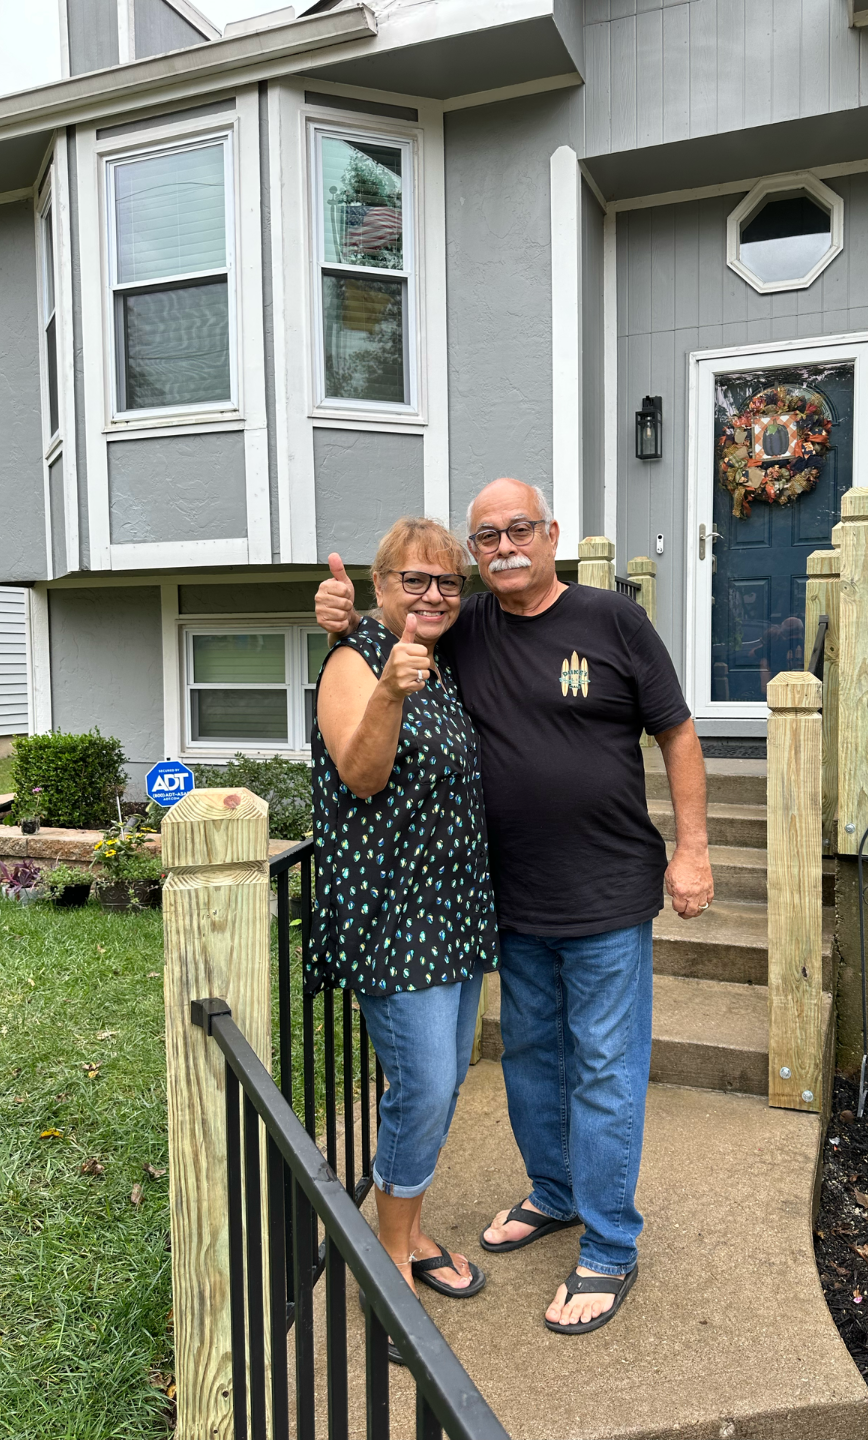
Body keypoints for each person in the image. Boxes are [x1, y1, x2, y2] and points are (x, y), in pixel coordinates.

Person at [316, 480, 713, 1335]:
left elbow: (678, 732)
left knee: (604, 1069)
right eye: (486, 536)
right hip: (510, 905)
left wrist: (693, 849)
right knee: (532, 1057)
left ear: (552, 534)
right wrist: (341, 623)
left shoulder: (613, 621)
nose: (503, 547)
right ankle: (558, 1194)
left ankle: (609, 1245)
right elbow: (388, 647)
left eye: (519, 530)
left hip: (607, 895)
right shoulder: (467, 628)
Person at [309, 516, 499, 1353]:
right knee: (421, 1083)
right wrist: (384, 678)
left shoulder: (444, 663)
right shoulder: (353, 663)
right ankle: (388, 1269)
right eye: (413, 581)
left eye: (447, 582)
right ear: (380, 586)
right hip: (393, 918)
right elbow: (360, 771)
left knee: (441, 1080)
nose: (432, 595)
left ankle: (411, 1225)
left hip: (452, 912)